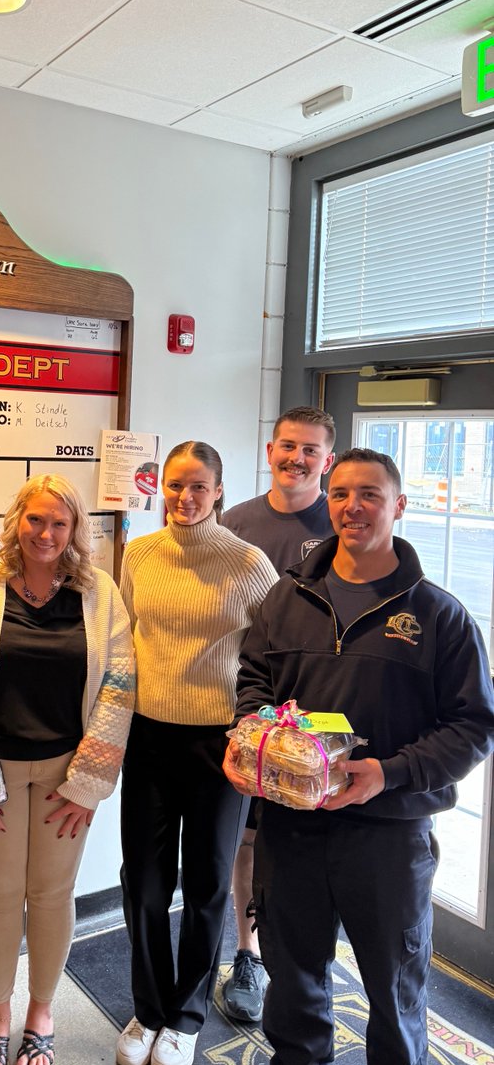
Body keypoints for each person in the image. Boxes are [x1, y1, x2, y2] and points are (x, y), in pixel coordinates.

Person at [225, 448, 494, 1065]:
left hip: (389, 834)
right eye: (342, 493)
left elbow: (474, 726)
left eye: (370, 493)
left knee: (395, 991)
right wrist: (253, 745)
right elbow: (254, 687)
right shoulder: (285, 599)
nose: (354, 506)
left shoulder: (438, 614)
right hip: (292, 827)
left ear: (398, 506)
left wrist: (390, 772)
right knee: (293, 986)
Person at [0, 473, 135, 1065]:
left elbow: (119, 687)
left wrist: (90, 780)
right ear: (16, 521)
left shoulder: (99, 592)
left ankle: (41, 1014)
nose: (46, 533)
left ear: (75, 530)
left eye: (60, 523)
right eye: (35, 519)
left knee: (50, 896)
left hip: (66, 773)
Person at [115, 441, 278, 1065]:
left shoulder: (249, 563)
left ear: (219, 489)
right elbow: (126, 639)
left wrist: (255, 730)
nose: (186, 498)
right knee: (146, 883)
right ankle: (147, 1008)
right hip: (149, 736)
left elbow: (270, 656)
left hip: (220, 744)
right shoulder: (139, 555)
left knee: (209, 883)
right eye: (176, 485)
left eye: (200, 487)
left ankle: (184, 1018)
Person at [218, 406, 335, 1022]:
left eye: (310, 450)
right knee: (248, 837)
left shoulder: (341, 519)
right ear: (270, 450)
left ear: (327, 460)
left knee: (310, 840)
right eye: (288, 446)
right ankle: (248, 953)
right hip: (247, 706)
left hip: (321, 718)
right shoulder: (235, 522)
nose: (297, 458)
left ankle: (302, 952)